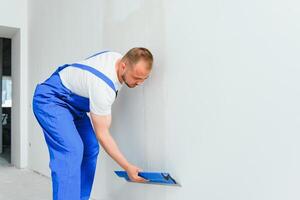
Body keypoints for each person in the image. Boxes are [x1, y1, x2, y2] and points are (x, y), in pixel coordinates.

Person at [32, 47, 153, 200]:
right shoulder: (103, 87)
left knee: (90, 147)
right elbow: (103, 135)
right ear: (124, 65)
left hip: (73, 105)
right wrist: (127, 166)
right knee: (72, 149)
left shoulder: (116, 57)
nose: (139, 83)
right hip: (51, 100)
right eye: (136, 77)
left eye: (144, 78)